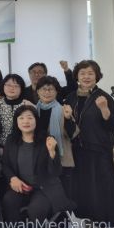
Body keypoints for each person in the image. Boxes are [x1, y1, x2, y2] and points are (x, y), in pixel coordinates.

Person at [2, 105, 74, 228]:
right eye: (21, 118)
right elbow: (5, 164)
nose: (25, 121)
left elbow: (55, 172)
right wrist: (13, 178)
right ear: (16, 122)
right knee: (8, 202)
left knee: (36, 210)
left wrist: (52, 153)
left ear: (36, 120)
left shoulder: (46, 140)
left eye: (30, 117)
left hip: (43, 188)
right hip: (20, 186)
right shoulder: (12, 140)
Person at [65, 60, 114, 228]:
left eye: (90, 73)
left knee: (101, 191)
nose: (86, 77)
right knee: (84, 191)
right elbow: (69, 126)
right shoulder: (71, 97)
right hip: (78, 152)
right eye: (82, 73)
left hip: (99, 153)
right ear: (77, 76)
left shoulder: (104, 97)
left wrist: (104, 109)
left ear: (97, 76)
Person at [35, 76, 79, 208]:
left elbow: (73, 134)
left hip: (62, 160)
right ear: (38, 91)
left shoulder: (63, 109)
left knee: (63, 197)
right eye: (44, 89)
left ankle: (63, 222)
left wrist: (68, 118)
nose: (47, 92)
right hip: (39, 160)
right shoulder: (33, 110)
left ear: (56, 92)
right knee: (44, 198)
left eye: (51, 89)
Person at [0, 73, 29, 147]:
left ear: (21, 88)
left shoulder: (27, 105)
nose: (12, 88)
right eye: (8, 85)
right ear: (3, 86)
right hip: (1, 146)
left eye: (16, 86)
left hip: (23, 145)